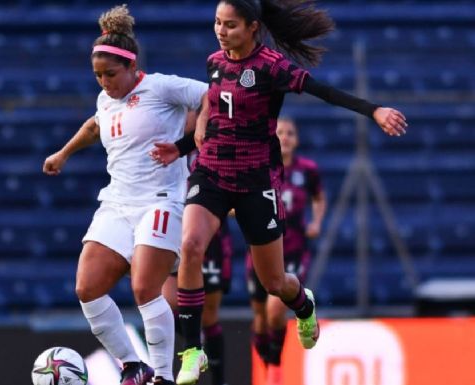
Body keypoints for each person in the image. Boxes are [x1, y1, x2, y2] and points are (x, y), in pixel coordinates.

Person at [150, 1, 407, 383]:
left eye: (231, 25)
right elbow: (218, 118)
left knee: (275, 283)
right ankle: (191, 351)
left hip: (257, 182)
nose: (221, 31)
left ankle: (304, 305)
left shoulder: (272, 66)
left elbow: (324, 91)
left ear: (253, 27)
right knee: (190, 245)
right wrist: (183, 147)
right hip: (213, 174)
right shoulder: (214, 62)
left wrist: (373, 111)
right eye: (218, 23)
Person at [42, 5, 207, 385]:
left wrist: (189, 141)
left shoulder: (162, 86)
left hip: (161, 199)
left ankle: (164, 376)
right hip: (117, 202)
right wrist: (64, 153)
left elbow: (212, 96)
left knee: (144, 287)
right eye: (98, 75)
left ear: (133, 67)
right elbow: (94, 125)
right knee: (87, 288)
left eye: (111, 74)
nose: (104, 82)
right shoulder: (105, 99)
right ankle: (134, 365)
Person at [246, 117, 327, 385]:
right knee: (259, 317)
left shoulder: (308, 170)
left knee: (274, 311)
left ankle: (275, 369)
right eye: (280, 132)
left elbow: (319, 197)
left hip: (293, 251)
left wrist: (316, 222)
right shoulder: (260, 168)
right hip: (261, 250)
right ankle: (266, 364)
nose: (286, 137)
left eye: (291, 133)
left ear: (297, 139)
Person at [163, 222, 233, 385]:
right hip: (175, 233)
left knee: (209, 316)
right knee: (166, 305)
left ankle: (219, 381)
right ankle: (195, 339)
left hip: (210, 237)